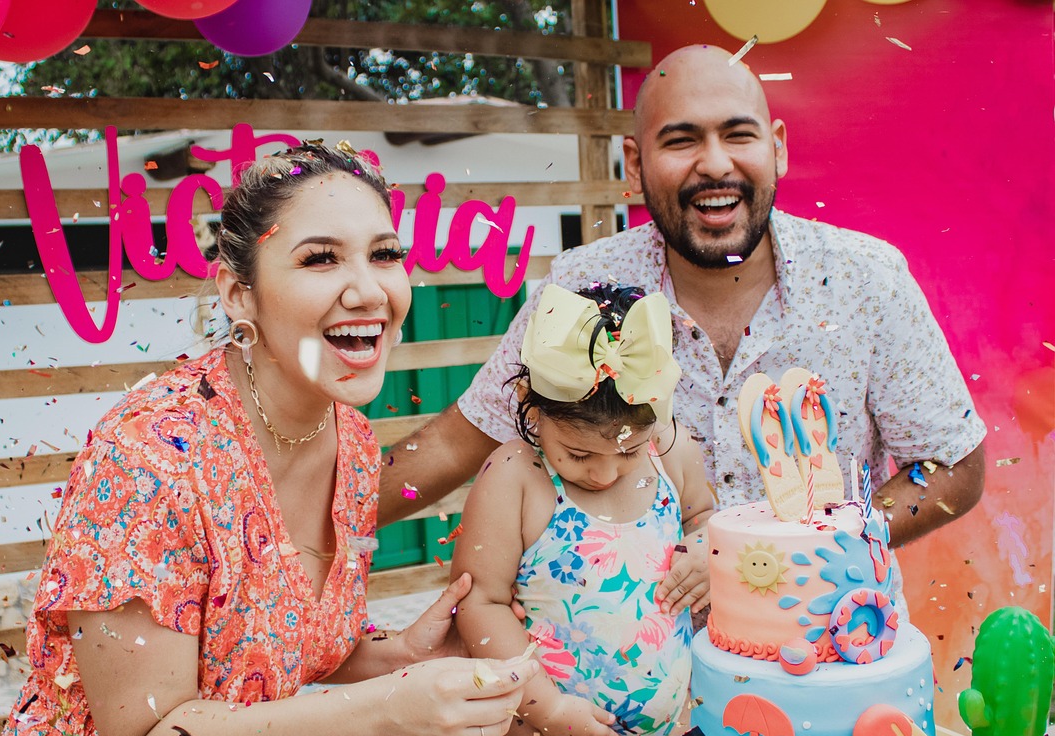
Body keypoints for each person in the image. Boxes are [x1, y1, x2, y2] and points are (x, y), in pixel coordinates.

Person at [0, 144, 540, 736]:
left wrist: (398, 656)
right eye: (320, 258)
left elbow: (260, 650)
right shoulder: (150, 455)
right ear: (238, 293)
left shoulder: (355, 445)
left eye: (385, 253)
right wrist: (382, 711)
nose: (368, 289)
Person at [378, 44, 986, 562]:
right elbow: (463, 439)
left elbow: (952, 465)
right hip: (626, 676)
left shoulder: (868, 280)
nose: (715, 163)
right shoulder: (582, 285)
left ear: (776, 148)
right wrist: (304, 530)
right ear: (637, 164)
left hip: (825, 658)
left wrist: (811, 553)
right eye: (681, 140)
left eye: (738, 134)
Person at [451, 284, 713, 736]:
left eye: (627, 451)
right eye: (578, 453)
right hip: (552, 732)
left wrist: (707, 549)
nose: (603, 474)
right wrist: (546, 707)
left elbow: (707, 519)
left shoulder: (673, 451)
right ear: (531, 403)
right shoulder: (514, 478)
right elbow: (479, 601)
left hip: (674, 728)